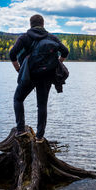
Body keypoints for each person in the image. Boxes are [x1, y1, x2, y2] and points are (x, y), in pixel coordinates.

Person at [9, 14, 69, 143]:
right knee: (42, 105)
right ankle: (40, 137)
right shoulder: (52, 37)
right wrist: (58, 62)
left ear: (30, 24)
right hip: (47, 76)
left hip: (29, 75)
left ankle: (20, 130)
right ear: (43, 24)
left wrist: (18, 69)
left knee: (18, 99)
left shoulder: (24, 38)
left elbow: (12, 54)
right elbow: (65, 51)